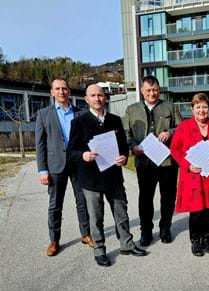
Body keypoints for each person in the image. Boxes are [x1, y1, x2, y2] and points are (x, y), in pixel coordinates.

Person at [67, 84, 147, 267]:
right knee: (96, 217)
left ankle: (126, 244)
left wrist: (124, 157)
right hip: (91, 178)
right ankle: (100, 250)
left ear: (105, 98)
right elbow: (71, 151)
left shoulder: (115, 120)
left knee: (121, 211)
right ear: (86, 99)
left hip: (113, 176)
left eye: (100, 95)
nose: (97, 98)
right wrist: (83, 155)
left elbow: (122, 146)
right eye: (93, 95)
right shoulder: (79, 122)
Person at [35, 79, 92, 257]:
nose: (62, 92)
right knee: (55, 205)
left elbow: (87, 140)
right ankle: (54, 240)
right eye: (57, 89)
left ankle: (86, 234)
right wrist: (42, 170)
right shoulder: (44, 114)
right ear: (52, 92)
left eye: (64, 88)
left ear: (69, 91)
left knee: (82, 201)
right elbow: (40, 144)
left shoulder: (80, 113)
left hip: (78, 164)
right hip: (55, 165)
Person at [170, 93, 209, 257]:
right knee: (197, 210)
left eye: (204, 107)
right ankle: (195, 240)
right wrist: (187, 166)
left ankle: (206, 238)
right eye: (198, 107)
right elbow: (174, 150)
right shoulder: (184, 127)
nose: (201, 110)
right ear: (192, 109)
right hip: (194, 176)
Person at [123, 75, 182, 247]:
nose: (152, 93)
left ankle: (165, 228)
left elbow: (181, 128)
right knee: (145, 199)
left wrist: (170, 132)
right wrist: (133, 147)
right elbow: (126, 133)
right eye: (148, 90)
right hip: (144, 162)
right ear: (142, 91)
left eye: (155, 90)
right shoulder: (131, 110)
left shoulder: (170, 107)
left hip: (167, 162)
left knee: (168, 197)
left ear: (159, 90)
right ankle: (146, 231)